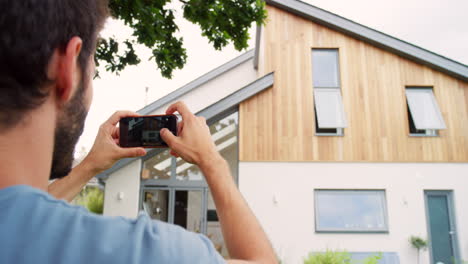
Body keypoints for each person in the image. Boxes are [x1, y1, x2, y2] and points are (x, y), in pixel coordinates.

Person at [0, 0, 277, 263]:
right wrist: (212, 161)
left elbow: (20, 215)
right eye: (92, 71)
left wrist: (90, 166)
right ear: (67, 69)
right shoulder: (146, 252)